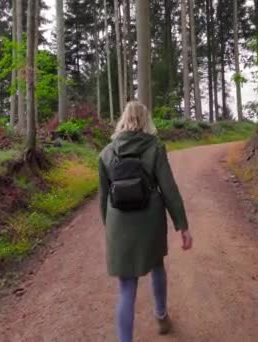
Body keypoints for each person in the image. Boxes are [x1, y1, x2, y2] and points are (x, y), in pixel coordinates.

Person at [98, 101, 193, 342]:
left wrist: (109, 229)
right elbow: (169, 189)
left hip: (119, 223)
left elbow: (103, 198)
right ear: (145, 119)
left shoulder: (106, 153)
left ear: (123, 119)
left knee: (126, 288)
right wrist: (182, 225)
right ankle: (161, 316)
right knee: (156, 265)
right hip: (150, 220)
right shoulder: (155, 148)